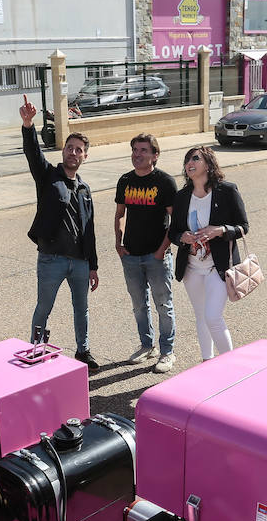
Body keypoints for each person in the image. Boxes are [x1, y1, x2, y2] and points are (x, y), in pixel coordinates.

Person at [19, 95, 100, 369]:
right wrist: (28, 125)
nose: (73, 153)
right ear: (63, 150)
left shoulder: (85, 189)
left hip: (79, 262)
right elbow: (33, 154)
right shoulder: (48, 176)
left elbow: (89, 230)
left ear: (85, 156)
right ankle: (36, 348)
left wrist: (93, 265)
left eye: (79, 150)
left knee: (82, 309)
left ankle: (83, 350)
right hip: (52, 259)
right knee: (44, 307)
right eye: (70, 148)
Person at [168, 145, 249, 362]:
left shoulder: (227, 191)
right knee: (201, 316)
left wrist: (220, 230)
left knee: (213, 316)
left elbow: (243, 227)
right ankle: (207, 361)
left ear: (208, 164)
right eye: (187, 160)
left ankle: (229, 365)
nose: (189, 163)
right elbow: (173, 231)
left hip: (219, 266)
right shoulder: (182, 196)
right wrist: (182, 237)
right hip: (192, 267)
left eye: (195, 158)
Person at [114, 133, 178, 373]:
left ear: (154, 155)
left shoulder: (164, 182)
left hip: (157, 256)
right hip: (130, 255)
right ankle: (146, 345)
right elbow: (120, 214)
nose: (137, 155)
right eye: (134, 150)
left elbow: (175, 220)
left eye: (143, 150)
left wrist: (162, 250)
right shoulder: (125, 181)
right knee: (139, 305)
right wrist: (118, 244)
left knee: (164, 305)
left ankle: (167, 352)